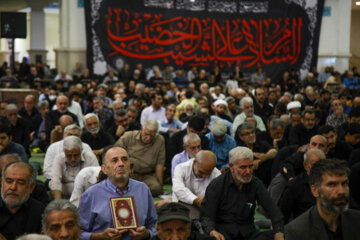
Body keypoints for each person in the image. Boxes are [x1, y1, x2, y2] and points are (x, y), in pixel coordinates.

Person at [200, 147, 284, 240]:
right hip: (224, 234)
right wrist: (212, 231)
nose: (248, 171)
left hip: (248, 233)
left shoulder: (255, 183)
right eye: (243, 167)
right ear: (231, 166)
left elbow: (273, 210)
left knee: (283, 234)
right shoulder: (216, 186)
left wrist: (278, 232)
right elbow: (206, 217)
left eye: (250, 166)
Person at [78, 146, 157, 240]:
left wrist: (147, 234)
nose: (121, 164)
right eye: (114, 160)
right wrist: (99, 237)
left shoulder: (143, 189)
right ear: (104, 169)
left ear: (130, 166)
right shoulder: (91, 194)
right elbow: (78, 233)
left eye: (124, 159)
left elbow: (154, 226)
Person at [284, 159, 360, 240]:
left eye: (344, 184)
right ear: (315, 190)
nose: (341, 191)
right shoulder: (297, 232)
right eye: (332, 184)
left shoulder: (357, 220)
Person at [117, 119, 165, 196]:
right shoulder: (128, 136)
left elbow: (160, 163)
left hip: (147, 175)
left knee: (156, 188)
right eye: (146, 134)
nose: (148, 138)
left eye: (152, 135)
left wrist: (160, 184)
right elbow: (115, 152)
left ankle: (133, 192)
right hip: (129, 173)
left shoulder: (159, 140)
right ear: (141, 128)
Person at [279, 149, 326, 223]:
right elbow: (283, 214)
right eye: (315, 165)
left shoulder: (332, 183)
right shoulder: (294, 185)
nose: (319, 168)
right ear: (305, 165)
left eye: (322, 164)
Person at [0, 162, 45, 239]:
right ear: (2, 182)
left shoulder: (40, 211)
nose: (13, 187)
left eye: (20, 183)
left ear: (31, 187)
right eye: (9, 181)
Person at [172, 151, 220, 219]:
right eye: (201, 172)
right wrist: (196, 200)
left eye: (208, 174)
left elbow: (218, 194)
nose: (204, 176)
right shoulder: (181, 168)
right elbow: (178, 189)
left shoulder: (216, 173)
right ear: (195, 162)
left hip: (207, 206)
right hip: (183, 203)